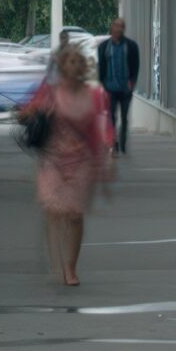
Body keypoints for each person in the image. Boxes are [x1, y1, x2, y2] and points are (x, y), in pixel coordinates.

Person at [22, 40, 114, 286]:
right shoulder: (50, 91)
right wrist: (31, 113)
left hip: (81, 161)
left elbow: (101, 127)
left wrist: (106, 153)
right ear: (63, 66)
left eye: (78, 62)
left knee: (74, 214)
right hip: (52, 159)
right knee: (55, 208)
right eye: (70, 61)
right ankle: (57, 253)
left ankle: (70, 268)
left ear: (83, 66)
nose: (75, 66)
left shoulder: (95, 95)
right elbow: (27, 111)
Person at [97, 16, 141, 154]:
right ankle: (113, 142)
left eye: (121, 26)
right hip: (109, 88)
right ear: (111, 28)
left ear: (124, 29)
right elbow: (101, 68)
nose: (118, 29)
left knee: (124, 117)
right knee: (111, 117)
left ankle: (123, 140)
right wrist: (102, 85)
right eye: (116, 26)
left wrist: (131, 83)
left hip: (125, 89)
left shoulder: (131, 46)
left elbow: (135, 67)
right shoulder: (104, 47)